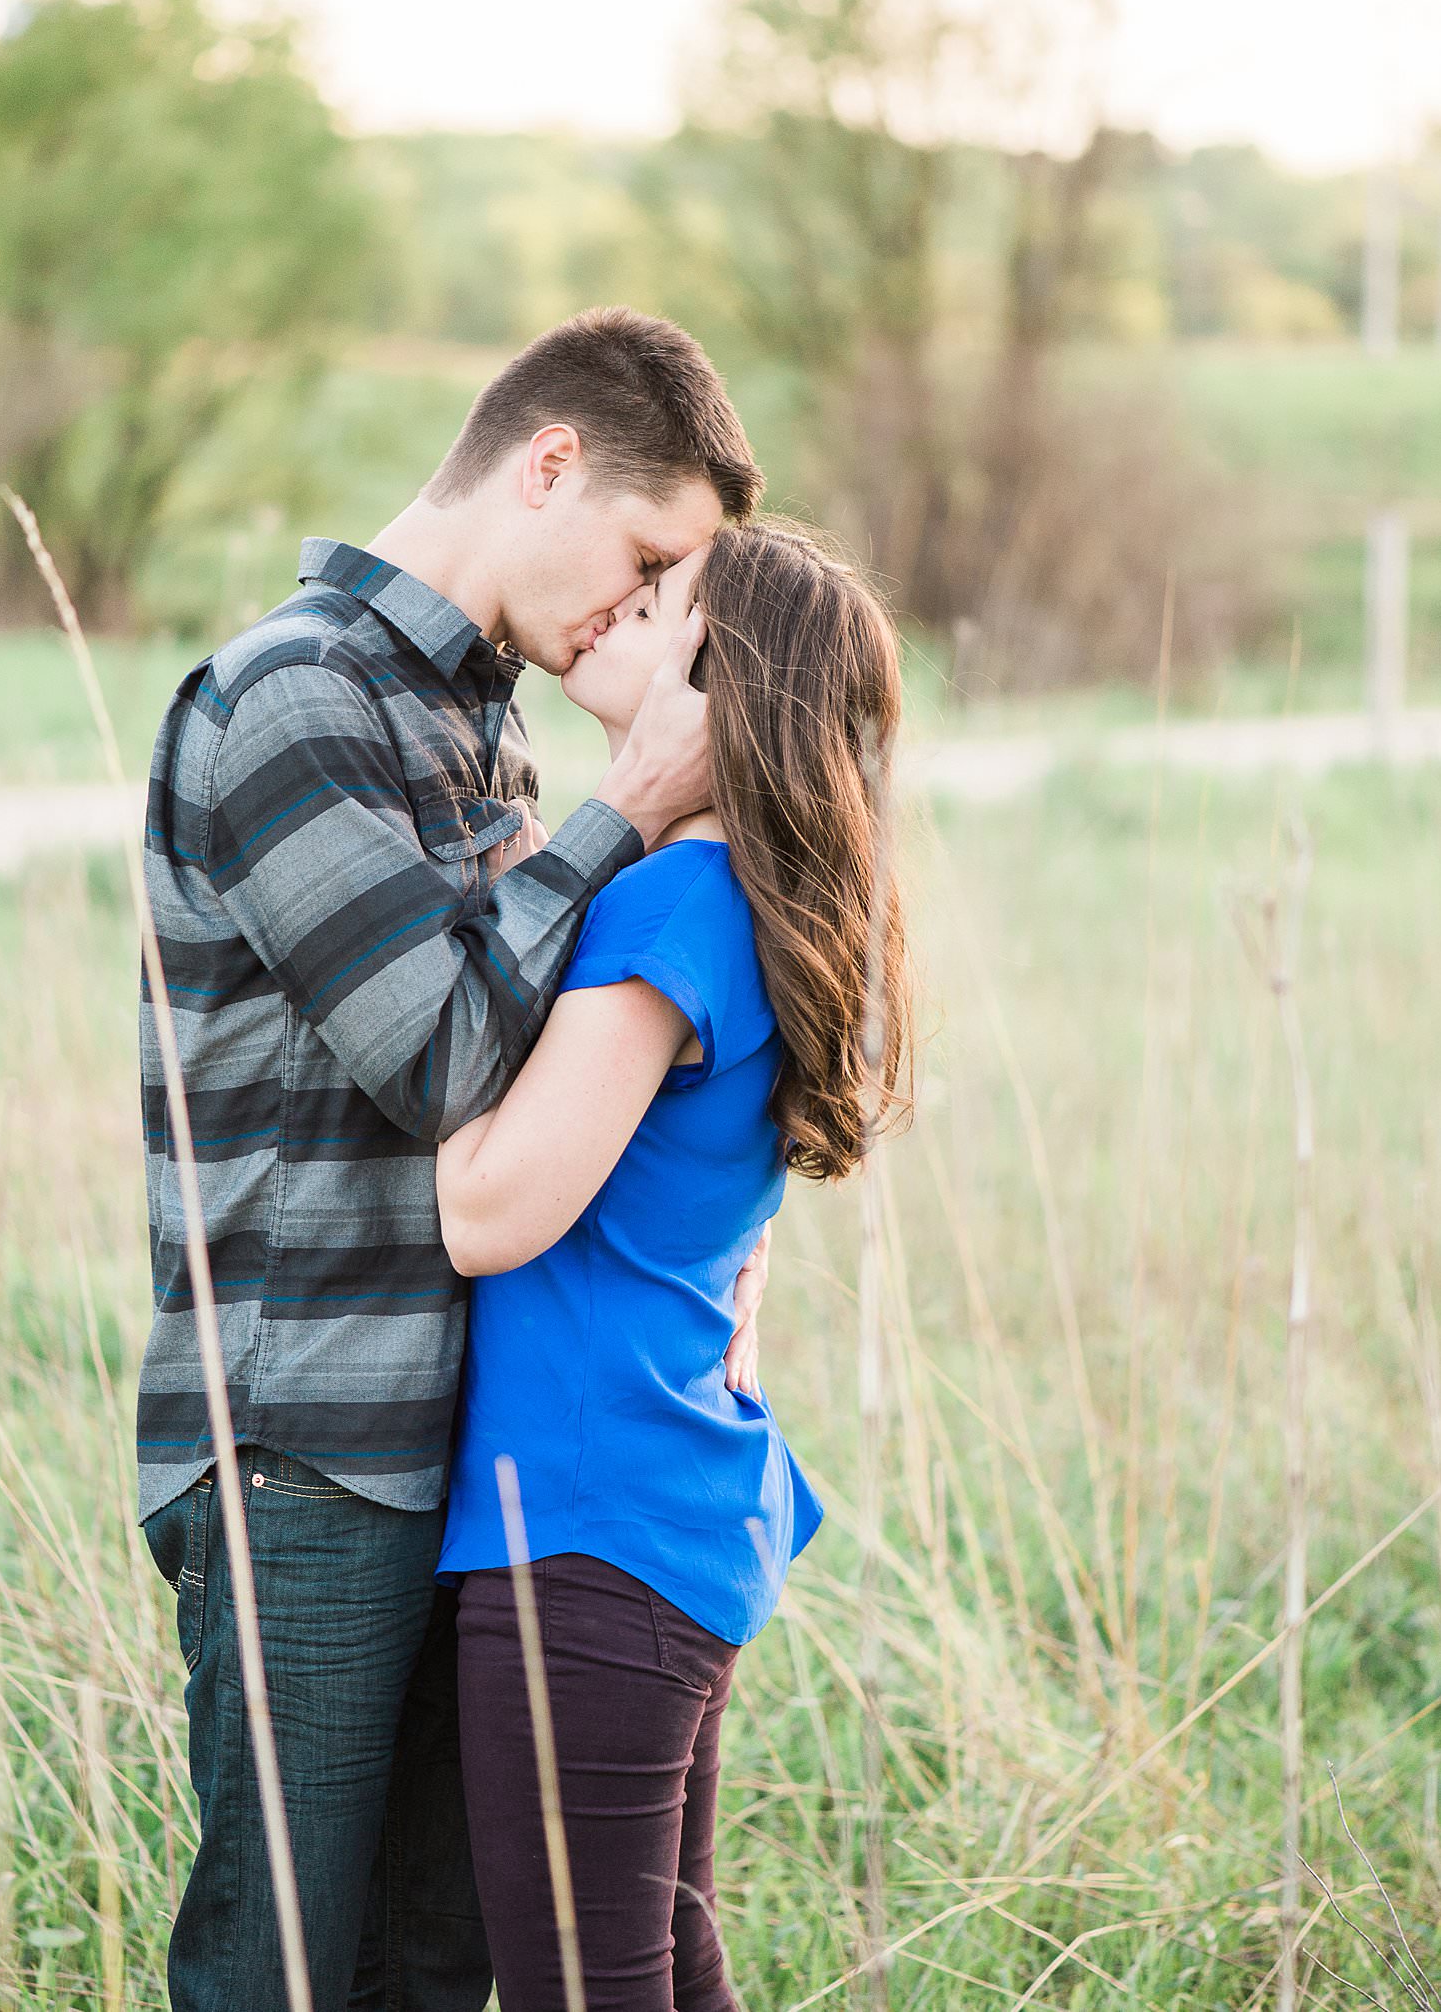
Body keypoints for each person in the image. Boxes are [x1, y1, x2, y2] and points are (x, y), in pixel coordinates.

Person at [135, 308, 770, 2012]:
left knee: (439, 1969)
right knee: (283, 1970)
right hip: (309, 1455)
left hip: (467, 1455)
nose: (640, 616)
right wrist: (625, 813)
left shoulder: (475, 723)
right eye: (645, 558)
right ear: (547, 462)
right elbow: (434, 1061)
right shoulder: (294, 697)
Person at [434, 519, 914, 2011]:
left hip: (585, 1527)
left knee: (591, 1987)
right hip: (657, 1516)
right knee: (656, 1968)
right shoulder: (743, 898)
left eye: (652, 607)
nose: (605, 618)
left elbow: (484, 1213)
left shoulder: (665, 908)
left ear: (717, 687)